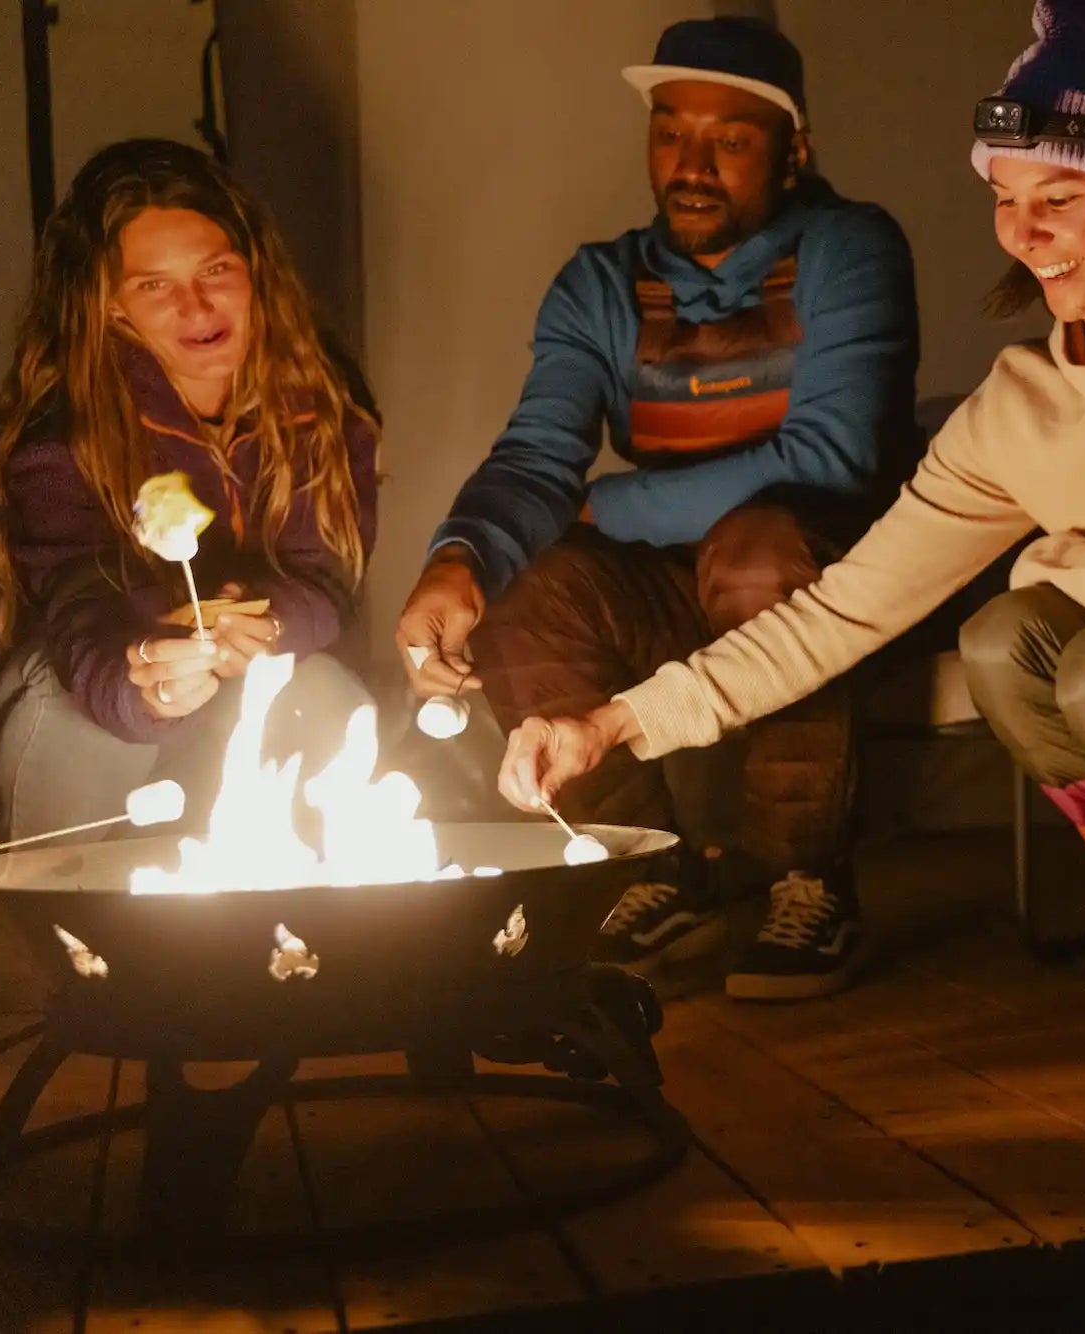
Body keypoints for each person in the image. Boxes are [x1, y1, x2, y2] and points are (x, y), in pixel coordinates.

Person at [496, 0, 1085, 979]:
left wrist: (1044, 559)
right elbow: (841, 610)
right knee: (1005, 643)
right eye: (1005, 197)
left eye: (1057, 198)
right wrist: (608, 723)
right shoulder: (1020, 403)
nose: (1023, 234)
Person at [395, 16, 921, 1001]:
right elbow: (534, 452)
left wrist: (602, 506)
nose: (690, 164)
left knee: (755, 552)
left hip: (827, 583)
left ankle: (802, 876)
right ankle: (644, 866)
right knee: (519, 585)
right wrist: (457, 563)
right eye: (670, 130)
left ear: (791, 147)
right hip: (674, 585)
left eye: (729, 139)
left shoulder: (847, 248)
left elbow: (830, 459)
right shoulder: (599, 283)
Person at [0, 138, 379, 843]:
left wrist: (264, 624)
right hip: (69, 696)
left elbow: (326, 578)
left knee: (329, 697)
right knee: (82, 727)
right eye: (154, 285)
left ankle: (302, 942)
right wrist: (143, 677)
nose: (197, 304)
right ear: (110, 307)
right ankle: (57, 936)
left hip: (226, 703)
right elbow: (78, 600)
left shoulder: (324, 407)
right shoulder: (66, 430)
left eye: (216, 270)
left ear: (253, 272)